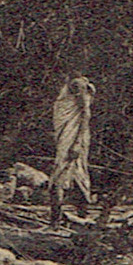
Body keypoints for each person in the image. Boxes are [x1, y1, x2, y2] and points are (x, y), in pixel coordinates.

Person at [49, 74, 95, 225]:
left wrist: (77, 143)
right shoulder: (69, 82)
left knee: (61, 173)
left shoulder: (77, 84)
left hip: (73, 137)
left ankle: (56, 220)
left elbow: (85, 113)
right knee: (75, 173)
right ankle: (74, 217)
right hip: (65, 136)